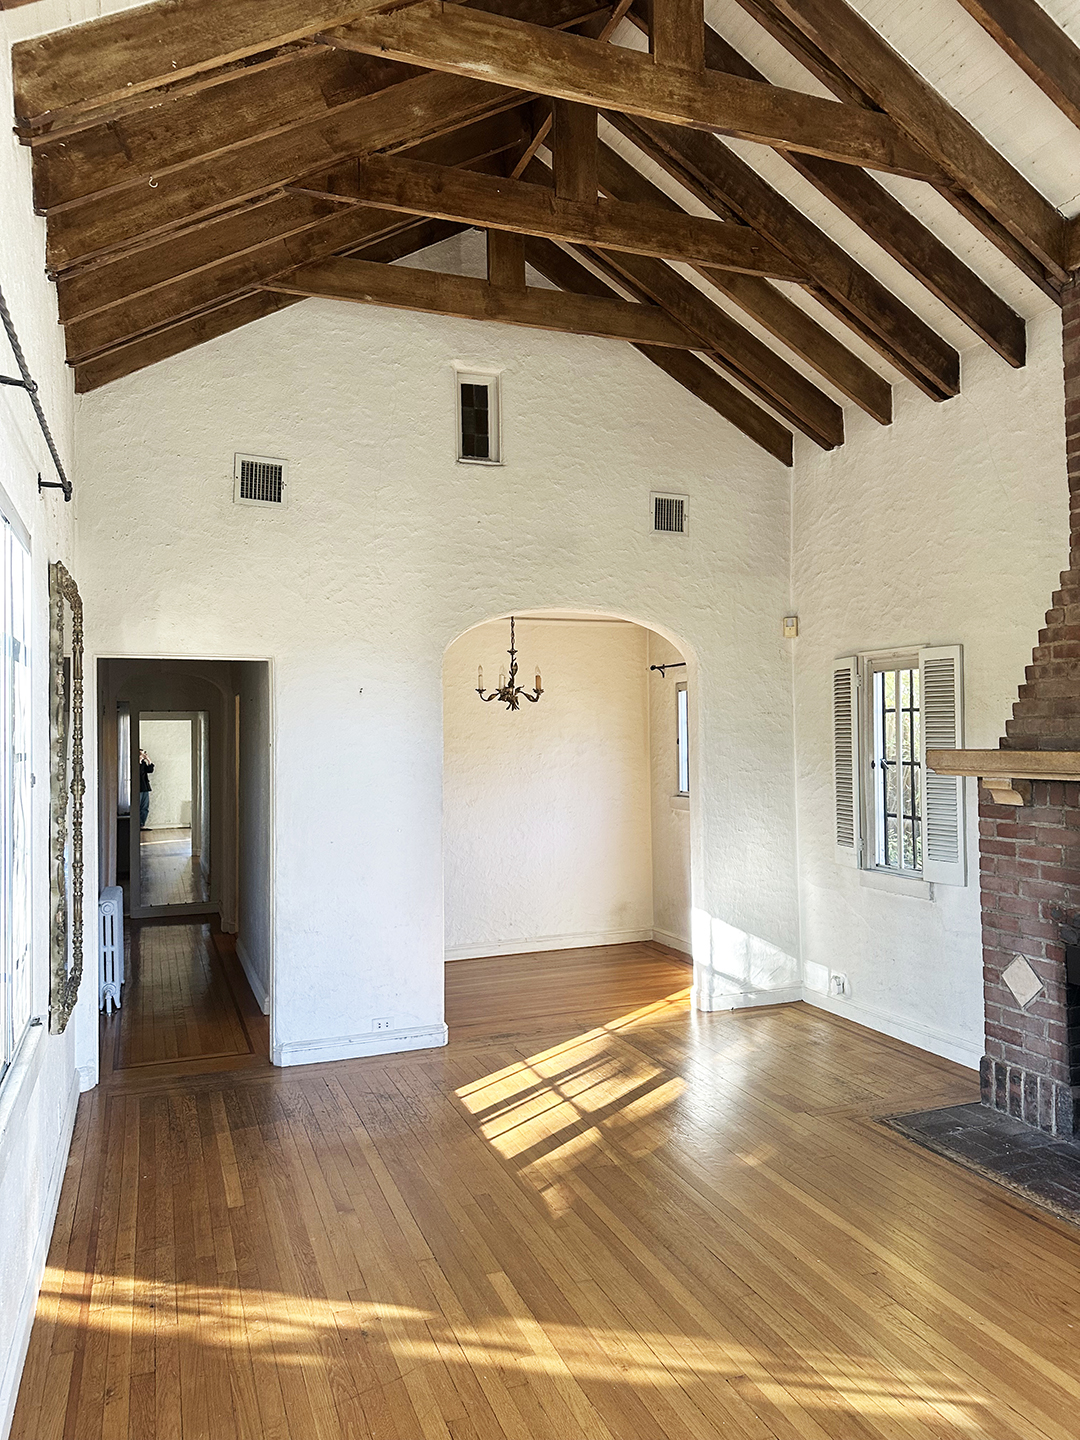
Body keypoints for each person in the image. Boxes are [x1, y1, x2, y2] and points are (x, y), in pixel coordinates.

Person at [139, 749, 154, 829]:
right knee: (138, 807)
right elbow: (138, 771)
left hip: (145, 787)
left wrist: (148, 760)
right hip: (138, 788)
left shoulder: (143, 763)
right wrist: (139, 761)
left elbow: (150, 770)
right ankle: (137, 824)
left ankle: (142, 824)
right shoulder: (135, 763)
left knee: (145, 807)